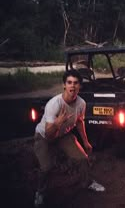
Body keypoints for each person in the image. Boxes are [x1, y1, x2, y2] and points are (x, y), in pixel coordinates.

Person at [34, 70, 105, 207]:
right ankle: (40, 192)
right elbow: (49, 135)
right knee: (46, 167)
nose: (72, 86)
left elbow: (79, 122)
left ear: (80, 86)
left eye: (76, 83)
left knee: (83, 158)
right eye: (69, 83)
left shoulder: (81, 103)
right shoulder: (54, 104)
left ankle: (88, 182)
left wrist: (85, 142)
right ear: (64, 86)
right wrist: (57, 123)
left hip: (63, 135)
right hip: (44, 136)